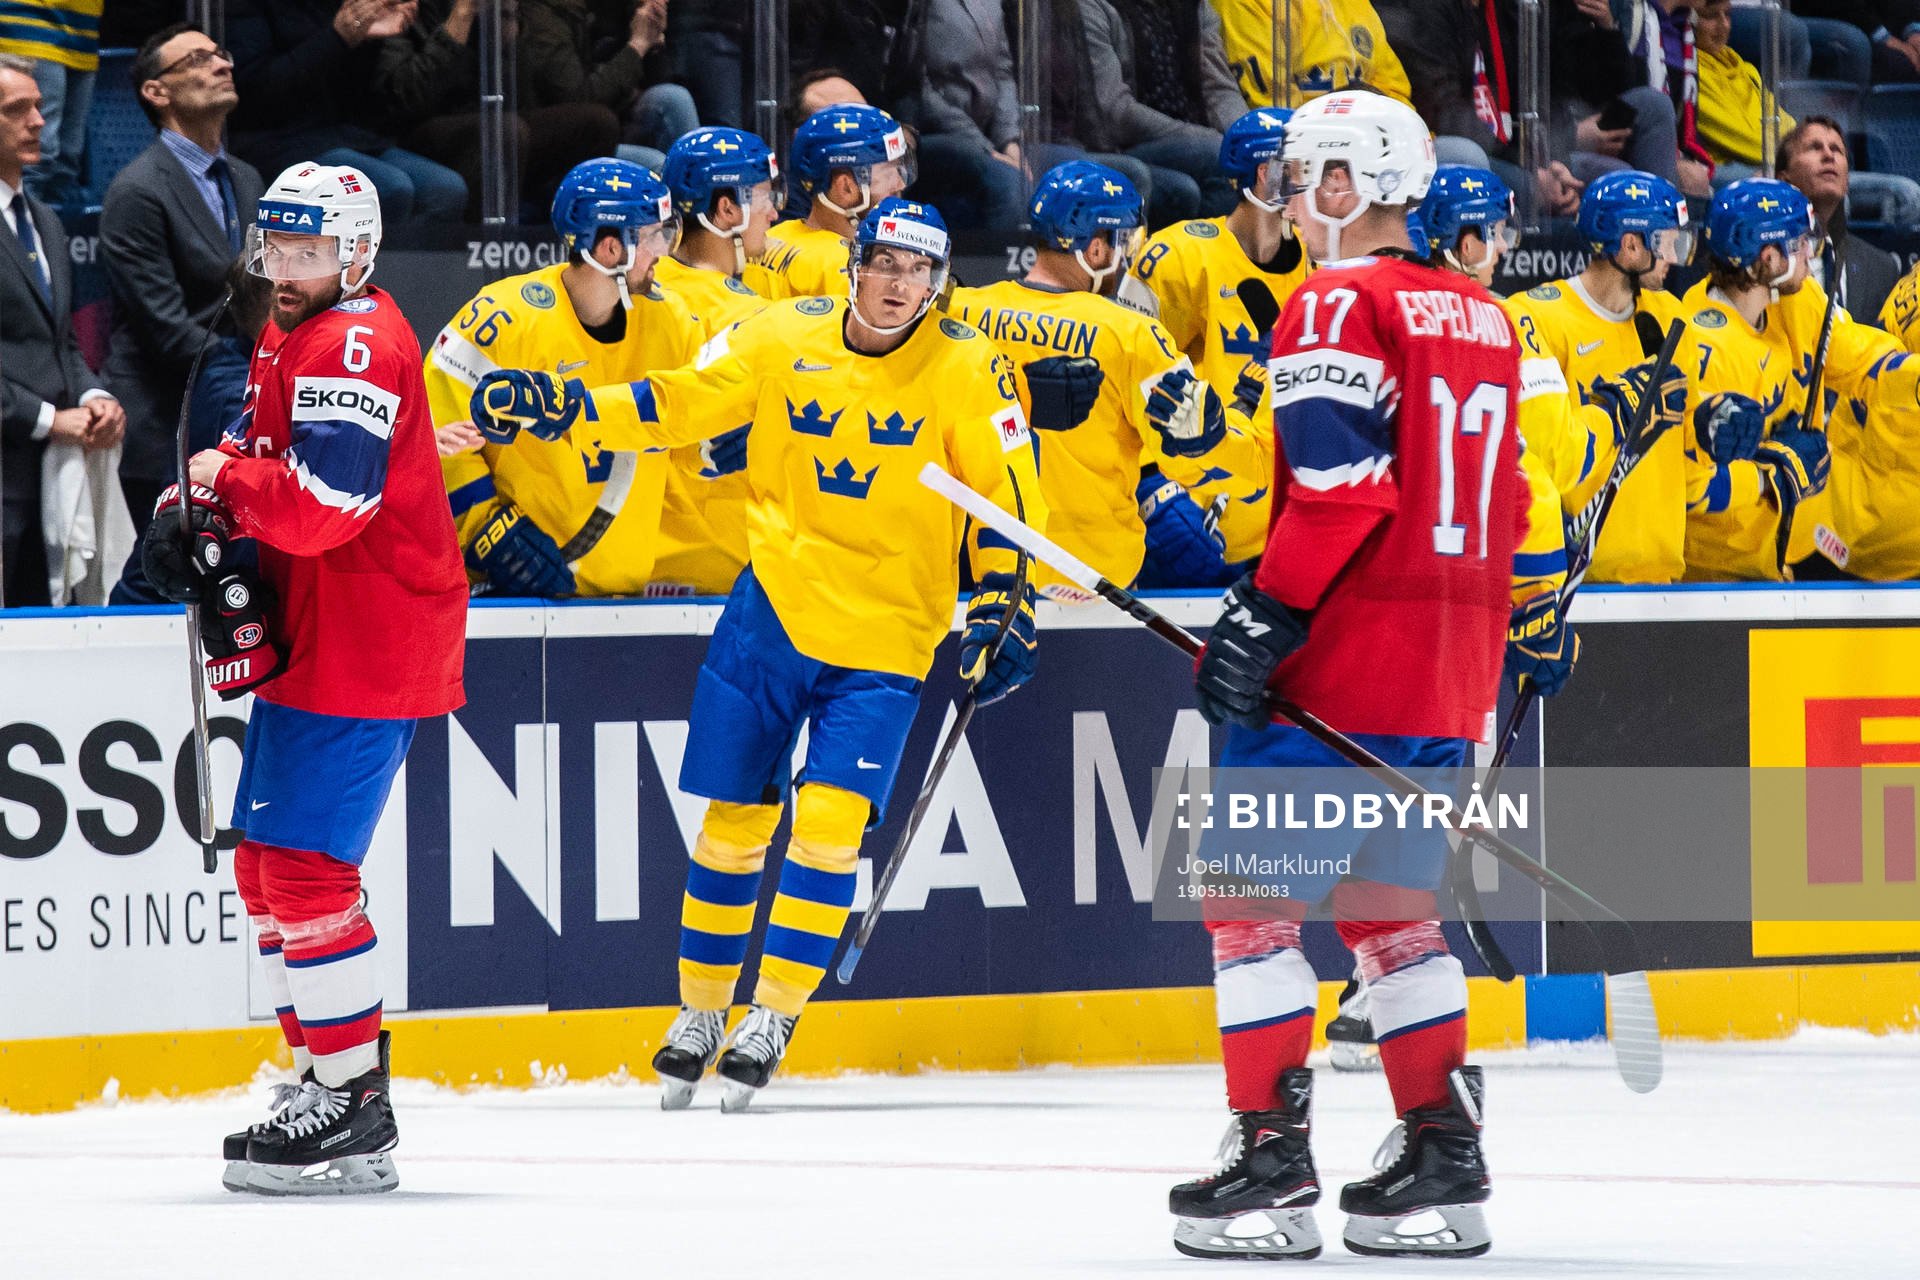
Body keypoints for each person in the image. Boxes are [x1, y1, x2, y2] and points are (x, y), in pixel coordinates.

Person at [470, 198, 1043, 1111]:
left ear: (937, 283)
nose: (898, 285)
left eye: (918, 271)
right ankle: (699, 1013)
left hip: (889, 633)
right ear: (853, 264)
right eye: (884, 263)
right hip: (768, 610)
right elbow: (678, 403)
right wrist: (571, 406)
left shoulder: (975, 370)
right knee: (733, 827)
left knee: (826, 829)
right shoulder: (781, 332)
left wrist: (1004, 601)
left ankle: (774, 1010)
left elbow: (1007, 500)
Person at [1171, 89, 1520, 1263]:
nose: (1293, 189)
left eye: (1311, 169)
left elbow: (1338, 489)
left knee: (1251, 913)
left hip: (1344, 659)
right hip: (1450, 662)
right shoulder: (1481, 313)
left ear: (1351, 183)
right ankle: (1440, 1154)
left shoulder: (1334, 300)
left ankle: (1267, 1160)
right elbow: (1507, 505)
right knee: (1394, 918)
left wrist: (1267, 615)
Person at [139, 161, 466, 1193]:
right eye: (277, 247)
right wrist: (200, 503)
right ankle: (325, 1070)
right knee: (266, 866)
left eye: (309, 250)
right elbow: (255, 443)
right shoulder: (299, 323)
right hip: (319, 630)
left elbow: (326, 501)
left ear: (356, 253)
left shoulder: (356, 340)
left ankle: (354, 1102)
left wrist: (225, 484)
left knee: (308, 874)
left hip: (370, 637)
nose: (286, 267)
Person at [949, 161, 1266, 602]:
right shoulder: (1131, 335)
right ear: (1095, 249)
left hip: (988, 567)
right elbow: (1192, 459)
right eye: (1123, 243)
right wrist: (1240, 418)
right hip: (1091, 576)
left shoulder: (962, 312)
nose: (1126, 257)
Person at [428, 158, 704, 598]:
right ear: (610, 249)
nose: (665, 251)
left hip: (625, 595)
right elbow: (437, 436)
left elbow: (692, 437)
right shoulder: (502, 318)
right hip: (513, 593)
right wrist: (488, 531)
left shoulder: (673, 323)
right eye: (653, 236)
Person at [102, 25, 263, 558]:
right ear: (157, 91)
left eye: (221, 53)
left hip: (234, 417)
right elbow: (164, 325)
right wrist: (259, 373)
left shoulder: (246, 178)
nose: (221, 65)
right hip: (164, 421)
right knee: (159, 588)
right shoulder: (137, 190)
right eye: (198, 59)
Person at [1129, 107, 1311, 578]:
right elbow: (1125, 371)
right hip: (1195, 504)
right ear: (1265, 175)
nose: (1310, 181)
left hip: (1287, 518)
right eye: (1299, 168)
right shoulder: (1179, 256)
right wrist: (1148, 485)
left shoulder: (1321, 265)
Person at [1503, 171, 1693, 584]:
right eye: (1664, 242)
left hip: (1666, 578)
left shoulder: (1670, 317)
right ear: (1629, 245)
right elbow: (1541, 455)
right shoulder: (1537, 318)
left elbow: (1689, 444)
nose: (1674, 258)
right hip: (1579, 579)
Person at [0, 54, 122, 607]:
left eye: (38, 108)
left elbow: (63, 342)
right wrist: (50, 420)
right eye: (15, 110)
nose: (38, 122)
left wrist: (93, 394)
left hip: (48, 472)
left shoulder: (45, 219)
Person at [1675, 179, 1831, 582]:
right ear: (1768, 255)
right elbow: (1692, 488)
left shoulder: (1778, 317)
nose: (1808, 254)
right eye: (1797, 245)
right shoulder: (1707, 345)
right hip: (1709, 581)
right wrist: (1773, 474)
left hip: (1763, 568)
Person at [651, 126, 782, 594]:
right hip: (724, 567)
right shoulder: (756, 319)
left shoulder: (632, 291)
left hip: (635, 560)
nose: (775, 209)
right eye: (765, 196)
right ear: (727, 209)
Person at [226, 1, 468, 225]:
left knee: (445, 190)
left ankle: (412, 273)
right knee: (390, 188)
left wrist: (375, 36)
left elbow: (375, 97)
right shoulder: (249, 6)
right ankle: (353, 270)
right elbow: (255, 94)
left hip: (347, 135)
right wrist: (338, 37)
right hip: (275, 138)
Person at [755, 103, 914, 301]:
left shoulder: (770, 236)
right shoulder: (852, 269)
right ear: (845, 187)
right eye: (888, 172)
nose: (899, 183)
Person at [1777, 116, 1910, 326]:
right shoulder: (1765, 258)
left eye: (1837, 150)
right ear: (1784, 179)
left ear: (1846, 181)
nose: (1829, 155)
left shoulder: (1881, 267)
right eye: (1814, 147)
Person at [0, 1, 96, 206]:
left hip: (84, 29)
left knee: (68, 159)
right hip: (26, 20)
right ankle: (18, 230)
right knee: (36, 155)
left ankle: (52, 233)